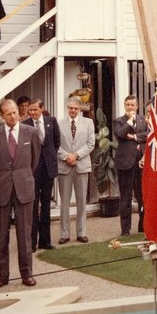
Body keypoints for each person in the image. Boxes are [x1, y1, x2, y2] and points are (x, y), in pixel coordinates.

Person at [0, 98, 40, 288]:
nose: (13, 116)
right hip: (2, 189)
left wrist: (22, 178)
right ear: (2, 116)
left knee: (25, 235)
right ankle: (2, 275)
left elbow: (34, 161)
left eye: (15, 112)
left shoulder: (31, 133)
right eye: (9, 113)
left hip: (24, 188)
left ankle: (27, 274)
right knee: (2, 235)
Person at [57, 97, 95, 244]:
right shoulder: (59, 124)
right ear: (67, 108)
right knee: (65, 202)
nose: (73, 111)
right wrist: (66, 156)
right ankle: (64, 234)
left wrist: (76, 155)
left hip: (81, 165)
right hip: (64, 166)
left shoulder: (88, 123)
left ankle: (81, 232)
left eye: (75, 108)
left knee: (81, 202)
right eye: (70, 108)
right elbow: (55, 144)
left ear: (80, 109)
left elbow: (91, 143)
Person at [23, 99, 59, 251]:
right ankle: (32, 242)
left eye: (35, 110)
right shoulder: (25, 124)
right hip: (32, 171)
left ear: (42, 108)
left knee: (46, 206)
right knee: (32, 207)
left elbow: (56, 143)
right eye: (30, 110)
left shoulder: (51, 121)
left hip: (48, 169)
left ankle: (46, 241)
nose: (32, 113)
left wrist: (49, 159)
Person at [113, 95, 146, 235]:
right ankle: (125, 230)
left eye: (132, 105)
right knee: (125, 197)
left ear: (137, 106)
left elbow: (148, 134)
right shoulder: (119, 121)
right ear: (124, 106)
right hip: (125, 164)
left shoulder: (143, 120)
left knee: (142, 196)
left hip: (141, 163)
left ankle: (142, 226)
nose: (130, 107)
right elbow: (119, 134)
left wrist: (134, 137)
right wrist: (129, 121)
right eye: (128, 105)